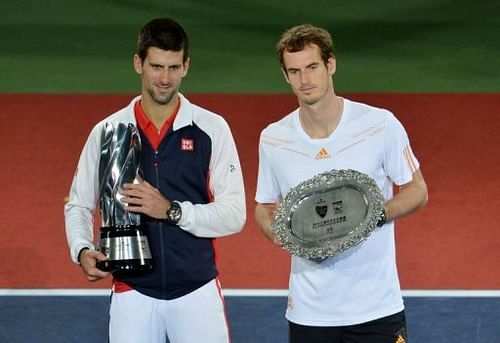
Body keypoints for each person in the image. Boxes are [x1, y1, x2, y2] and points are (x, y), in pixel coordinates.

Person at [64, 18, 246, 343]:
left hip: (196, 292)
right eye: (156, 67)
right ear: (138, 64)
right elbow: (78, 203)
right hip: (132, 291)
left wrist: (172, 210)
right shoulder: (108, 132)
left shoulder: (211, 129)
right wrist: (81, 249)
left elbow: (235, 214)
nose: (165, 79)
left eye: (174, 67)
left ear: (186, 66)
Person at [255, 24, 428, 343]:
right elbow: (264, 206)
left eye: (312, 67)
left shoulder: (379, 124)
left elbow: (417, 190)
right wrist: (278, 233)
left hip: (376, 308)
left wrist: (370, 216)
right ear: (285, 76)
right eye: (294, 71)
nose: (304, 80)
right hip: (310, 311)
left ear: (330, 65)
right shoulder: (274, 139)